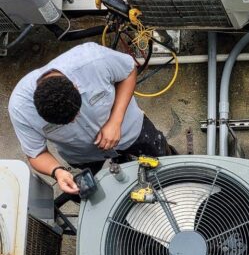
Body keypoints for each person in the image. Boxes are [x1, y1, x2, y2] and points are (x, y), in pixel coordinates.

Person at [9, 42, 176, 197]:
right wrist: (57, 171)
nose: (74, 122)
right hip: (83, 156)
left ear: (75, 85)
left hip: (130, 131)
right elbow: (36, 153)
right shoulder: (20, 109)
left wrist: (115, 121)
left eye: (75, 114)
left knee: (162, 159)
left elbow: (129, 70)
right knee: (95, 195)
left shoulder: (92, 59)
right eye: (63, 126)